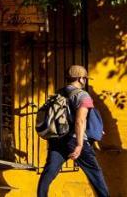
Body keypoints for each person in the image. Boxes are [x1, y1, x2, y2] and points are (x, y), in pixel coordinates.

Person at [37, 64, 110, 197]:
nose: (85, 81)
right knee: (95, 174)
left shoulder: (59, 93)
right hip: (75, 140)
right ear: (81, 79)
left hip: (57, 139)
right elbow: (79, 121)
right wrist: (80, 145)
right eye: (85, 78)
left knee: (49, 171)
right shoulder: (82, 96)